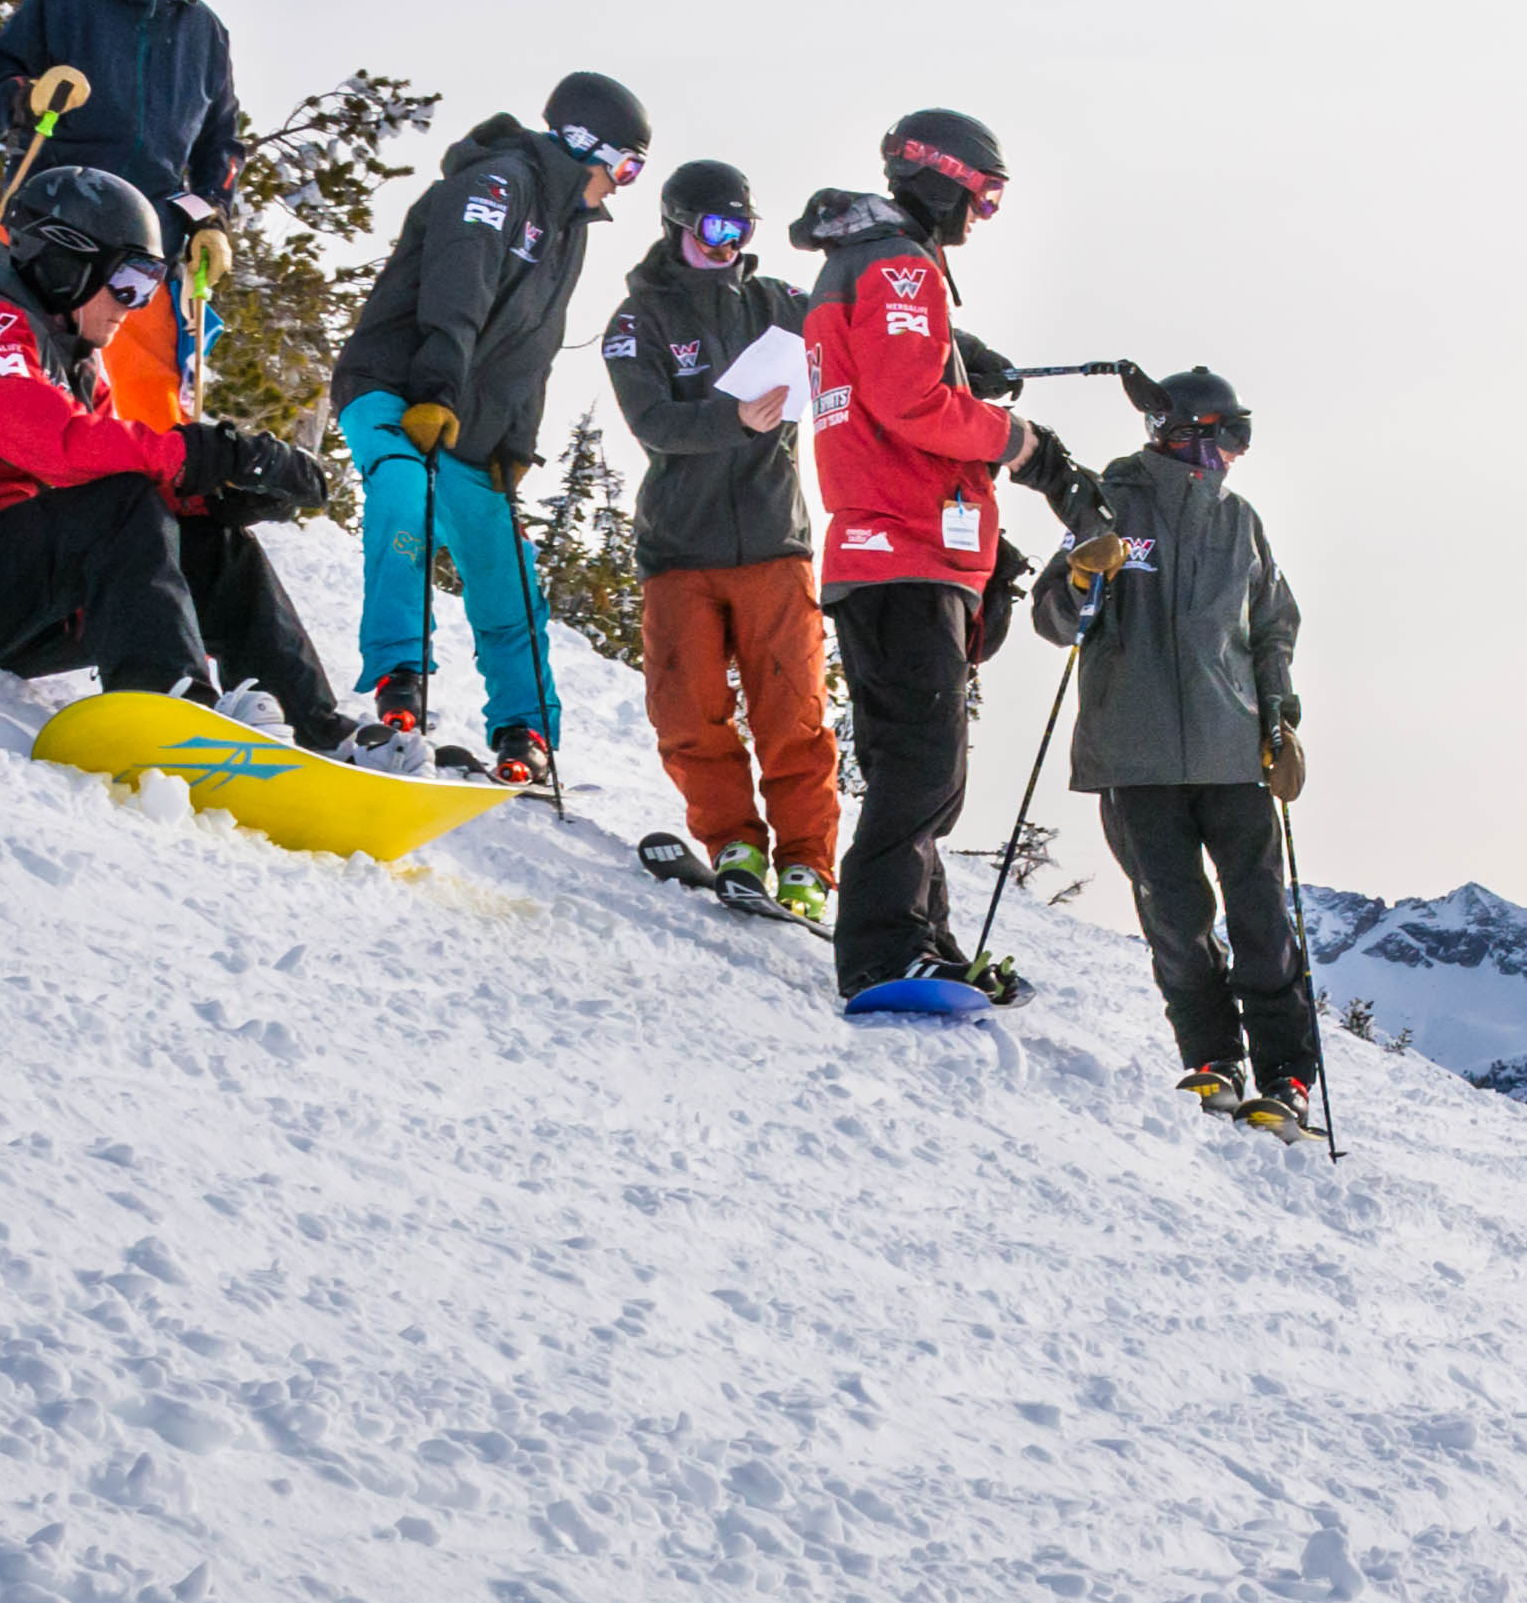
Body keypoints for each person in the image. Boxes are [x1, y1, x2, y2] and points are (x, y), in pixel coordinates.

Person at [0, 166, 350, 742]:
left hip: (9, 594)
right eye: (130, 283)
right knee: (119, 498)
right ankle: (166, 705)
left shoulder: (79, 363)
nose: (133, 307)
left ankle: (312, 725)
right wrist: (203, 454)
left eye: (150, 288)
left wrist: (212, 501)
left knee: (215, 547)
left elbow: (123, 485)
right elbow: (62, 448)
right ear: (65, 263)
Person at [794, 107, 1093, 1001]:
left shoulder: (861, 264)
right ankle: (884, 951)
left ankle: (924, 940)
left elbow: (895, 378)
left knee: (915, 766)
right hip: (900, 547)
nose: (984, 215)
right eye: (985, 195)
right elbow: (908, 402)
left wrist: (962, 358)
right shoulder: (896, 264)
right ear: (939, 176)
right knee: (922, 767)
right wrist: (1024, 442)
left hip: (890, 543)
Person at [327, 72, 651, 786]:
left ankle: (524, 728)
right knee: (404, 496)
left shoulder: (568, 228)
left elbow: (535, 348)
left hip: (472, 424)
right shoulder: (499, 182)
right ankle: (399, 682)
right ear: (584, 143)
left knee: (504, 568)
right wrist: (435, 390)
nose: (624, 183)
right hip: (396, 387)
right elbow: (456, 287)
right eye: (626, 164)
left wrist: (514, 443)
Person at [1029, 369, 1313, 1131]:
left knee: (1262, 921)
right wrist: (1083, 579)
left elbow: (1272, 625)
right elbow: (1053, 621)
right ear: (1187, 432)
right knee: (1175, 919)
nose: (1232, 455)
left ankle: (1287, 1078)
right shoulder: (1111, 505)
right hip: (1135, 754)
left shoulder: (1240, 522)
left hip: (1233, 754)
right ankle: (1213, 1060)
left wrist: (1278, 718)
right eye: (1228, 437)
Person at [596, 161, 847, 924]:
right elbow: (652, 423)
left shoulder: (777, 305)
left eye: (741, 231)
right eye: (714, 230)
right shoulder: (638, 320)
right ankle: (733, 841)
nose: (728, 244)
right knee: (689, 709)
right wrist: (730, 419)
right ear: (678, 226)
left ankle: (806, 863)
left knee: (791, 711)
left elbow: (852, 333)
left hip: (774, 540)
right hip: (681, 546)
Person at [0, 0, 244, 430]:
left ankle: (146, 514)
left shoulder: (206, 33)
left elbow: (221, 143)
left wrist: (211, 214)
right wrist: (26, 97)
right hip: (46, 239)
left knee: (148, 415)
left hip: (142, 254)